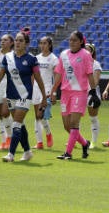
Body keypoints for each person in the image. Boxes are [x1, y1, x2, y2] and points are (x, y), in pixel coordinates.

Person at [0, 30, 46, 162]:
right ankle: (27, 151)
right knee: (20, 125)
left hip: (25, 95)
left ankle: (11, 154)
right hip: (11, 94)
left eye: (21, 41)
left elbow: (38, 78)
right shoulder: (7, 57)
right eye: (16, 40)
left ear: (26, 43)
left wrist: (44, 97)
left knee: (16, 124)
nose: (17, 43)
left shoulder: (31, 59)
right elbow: (0, 74)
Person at [50, 31, 98, 160]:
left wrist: (93, 92)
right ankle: (84, 143)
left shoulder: (86, 55)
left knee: (73, 122)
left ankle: (68, 153)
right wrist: (54, 91)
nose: (71, 42)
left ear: (81, 41)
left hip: (79, 92)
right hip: (65, 93)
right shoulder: (63, 54)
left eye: (74, 40)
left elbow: (89, 74)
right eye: (70, 40)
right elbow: (59, 74)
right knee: (67, 126)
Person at [33, 35, 58, 149]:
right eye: (41, 43)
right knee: (37, 116)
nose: (42, 45)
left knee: (41, 114)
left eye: (45, 43)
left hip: (47, 89)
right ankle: (39, 142)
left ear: (50, 45)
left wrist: (54, 92)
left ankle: (48, 134)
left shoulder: (53, 59)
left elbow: (57, 76)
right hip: (36, 89)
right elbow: (33, 74)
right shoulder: (36, 58)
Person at [85, 42, 103, 149]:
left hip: (92, 94)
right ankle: (76, 139)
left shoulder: (95, 64)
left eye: (88, 49)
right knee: (75, 118)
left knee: (93, 118)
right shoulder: (80, 62)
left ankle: (94, 141)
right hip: (80, 93)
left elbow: (95, 82)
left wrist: (90, 92)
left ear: (92, 52)